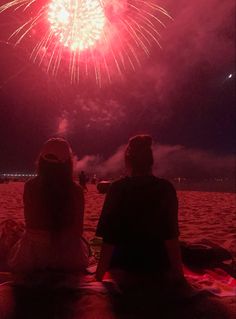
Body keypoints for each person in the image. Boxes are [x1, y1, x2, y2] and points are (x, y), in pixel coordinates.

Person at [95, 135, 193, 296]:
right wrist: (179, 275)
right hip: (157, 262)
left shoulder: (117, 189)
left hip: (124, 262)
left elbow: (108, 238)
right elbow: (171, 236)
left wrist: (98, 275)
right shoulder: (165, 188)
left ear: (128, 161)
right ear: (151, 161)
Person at [8, 138, 89, 275]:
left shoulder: (30, 186)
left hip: (33, 257)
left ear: (41, 160)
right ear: (68, 162)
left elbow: (30, 224)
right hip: (69, 258)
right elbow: (78, 230)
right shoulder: (76, 190)